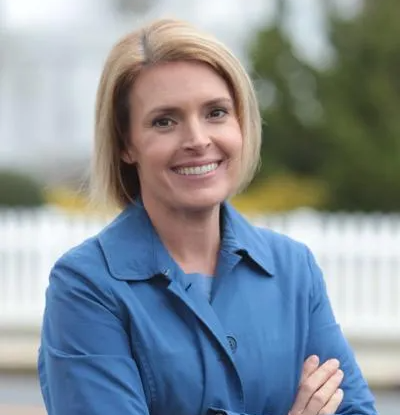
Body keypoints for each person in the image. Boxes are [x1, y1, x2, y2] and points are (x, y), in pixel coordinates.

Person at [38, 18, 377, 415]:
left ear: (241, 124)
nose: (198, 140)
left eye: (216, 113)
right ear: (126, 142)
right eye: (165, 121)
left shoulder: (293, 270)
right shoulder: (86, 286)